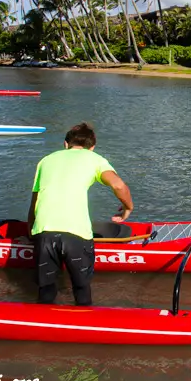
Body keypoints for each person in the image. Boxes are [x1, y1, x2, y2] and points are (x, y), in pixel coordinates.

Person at [26, 122, 133, 306]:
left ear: (65, 144)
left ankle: (42, 325)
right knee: (81, 288)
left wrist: (31, 232)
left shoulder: (46, 160)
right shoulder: (95, 159)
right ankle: (84, 324)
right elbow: (118, 185)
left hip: (44, 231)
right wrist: (128, 208)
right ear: (92, 147)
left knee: (46, 289)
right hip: (76, 233)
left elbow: (34, 201)